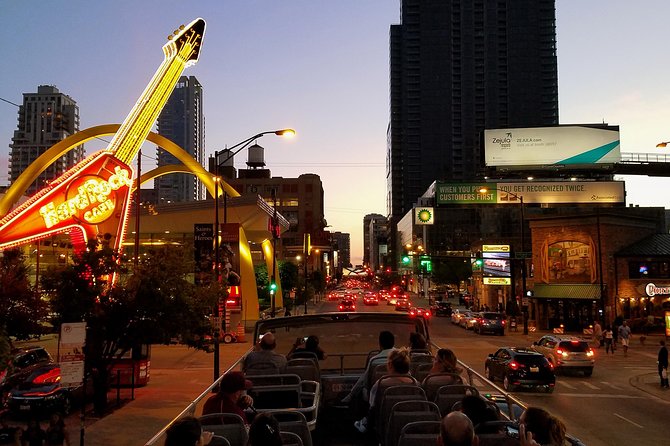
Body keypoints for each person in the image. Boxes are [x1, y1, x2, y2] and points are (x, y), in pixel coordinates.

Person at [353, 347, 414, 433]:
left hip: (385, 426)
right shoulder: (416, 385)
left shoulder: (381, 384)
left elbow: (372, 406)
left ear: (390, 365)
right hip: (411, 424)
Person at [341, 330, 395, 403]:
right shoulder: (401, 357)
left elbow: (365, 381)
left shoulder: (374, 360)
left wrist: (352, 393)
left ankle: (351, 397)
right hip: (399, 392)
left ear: (380, 344)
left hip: (377, 396)